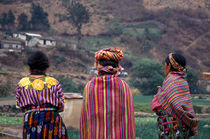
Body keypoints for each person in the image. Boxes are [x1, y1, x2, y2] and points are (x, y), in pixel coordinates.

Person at [80, 48, 136, 139]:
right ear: (117, 67)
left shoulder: (90, 86)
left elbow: (86, 118)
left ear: (98, 66)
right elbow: (128, 119)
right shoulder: (124, 86)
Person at [16, 51, 68, 139]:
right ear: (45, 67)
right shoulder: (54, 82)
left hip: (31, 121)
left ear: (30, 66)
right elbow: (61, 107)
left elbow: (20, 106)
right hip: (52, 121)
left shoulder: (22, 83)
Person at [152, 53, 200, 139]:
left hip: (171, 125)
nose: (164, 67)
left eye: (165, 65)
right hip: (183, 126)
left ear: (169, 66)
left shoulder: (170, 81)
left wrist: (159, 93)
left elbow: (169, 104)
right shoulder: (183, 81)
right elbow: (186, 106)